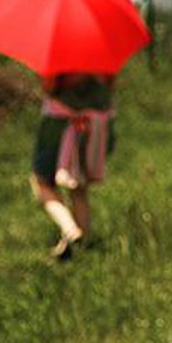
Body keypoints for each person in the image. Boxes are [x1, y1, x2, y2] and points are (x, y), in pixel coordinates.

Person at [30, 72, 116, 258]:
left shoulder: (59, 71)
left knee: (42, 183)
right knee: (78, 188)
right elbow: (108, 99)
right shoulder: (101, 74)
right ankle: (83, 246)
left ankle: (70, 230)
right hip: (90, 133)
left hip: (56, 133)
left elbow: (48, 89)